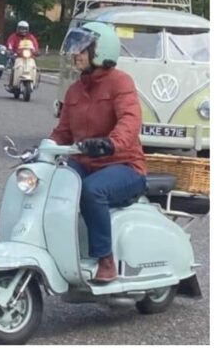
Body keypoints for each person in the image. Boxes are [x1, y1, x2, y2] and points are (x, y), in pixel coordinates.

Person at [50, 21, 145, 283]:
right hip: (86, 163)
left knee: (92, 190)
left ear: (100, 51)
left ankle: (105, 260)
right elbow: (63, 132)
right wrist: (43, 150)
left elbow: (130, 119)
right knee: (54, 181)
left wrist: (111, 143)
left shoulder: (120, 83)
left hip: (124, 166)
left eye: (82, 48)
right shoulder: (74, 90)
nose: (75, 53)